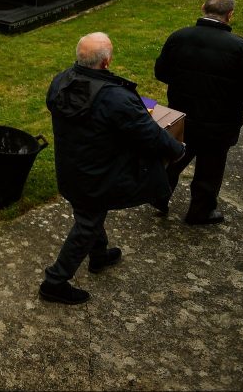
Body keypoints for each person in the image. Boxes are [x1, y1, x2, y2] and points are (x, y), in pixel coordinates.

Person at [41, 33, 185, 305]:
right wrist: (177, 150)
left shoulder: (61, 81)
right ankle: (54, 281)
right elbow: (149, 133)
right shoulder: (115, 97)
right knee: (88, 221)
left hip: (71, 167)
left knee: (89, 212)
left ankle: (99, 255)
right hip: (98, 173)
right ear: (106, 62)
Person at [155, 0, 243, 225]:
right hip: (219, 124)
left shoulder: (179, 37)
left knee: (177, 158)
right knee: (210, 170)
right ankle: (200, 212)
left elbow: (161, 73)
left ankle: (158, 196)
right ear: (230, 14)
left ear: (203, 7)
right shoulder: (241, 49)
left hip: (183, 117)